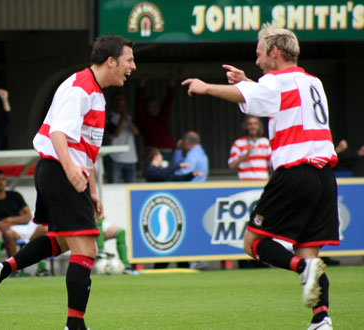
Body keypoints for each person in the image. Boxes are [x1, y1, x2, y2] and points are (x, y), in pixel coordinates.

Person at [182, 23, 338, 330]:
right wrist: (251, 83)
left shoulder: (274, 81)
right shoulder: (313, 81)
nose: (256, 61)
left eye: (259, 54)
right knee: (309, 251)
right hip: (324, 177)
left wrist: (207, 87)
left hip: (295, 173)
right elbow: (280, 99)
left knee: (253, 243)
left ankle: (301, 270)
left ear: (275, 52)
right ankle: (322, 319)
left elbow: (261, 93)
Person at [0, 35, 136, 330]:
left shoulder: (96, 94)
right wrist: (72, 172)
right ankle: (74, 326)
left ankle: (3, 269)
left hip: (58, 171)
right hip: (59, 170)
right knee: (87, 248)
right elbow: (58, 135)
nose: (133, 67)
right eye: (129, 60)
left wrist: (92, 190)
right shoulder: (80, 89)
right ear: (111, 61)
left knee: (61, 241)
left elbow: (86, 152)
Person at [0, 169, 50, 276]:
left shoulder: (15, 195)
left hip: (28, 227)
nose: (1, 182)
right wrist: (20, 217)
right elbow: (1, 225)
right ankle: (15, 270)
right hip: (13, 231)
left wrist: (10, 220)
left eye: (3, 179)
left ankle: (42, 269)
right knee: (8, 233)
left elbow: (28, 216)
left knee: (45, 229)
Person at [135, 74, 176, 160]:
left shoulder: (162, 117)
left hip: (169, 151)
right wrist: (141, 85)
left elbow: (168, 104)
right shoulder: (143, 119)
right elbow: (139, 104)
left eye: (156, 105)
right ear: (146, 108)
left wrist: (171, 86)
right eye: (152, 106)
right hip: (154, 153)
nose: (156, 108)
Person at [106, 91, 139, 183]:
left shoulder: (130, 117)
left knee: (131, 187)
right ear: (113, 102)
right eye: (117, 100)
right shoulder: (109, 117)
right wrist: (122, 118)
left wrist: (127, 119)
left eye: (122, 99)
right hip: (115, 157)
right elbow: (116, 134)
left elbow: (136, 132)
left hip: (131, 157)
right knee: (113, 185)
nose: (120, 102)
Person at [228, 115, 272, 180]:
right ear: (245, 126)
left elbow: (272, 163)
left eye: (255, 124)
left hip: (263, 181)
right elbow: (231, 165)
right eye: (250, 124)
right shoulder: (238, 143)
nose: (253, 126)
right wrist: (245, 155)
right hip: (245, 183)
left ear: (259, 126)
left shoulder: (265, 142)